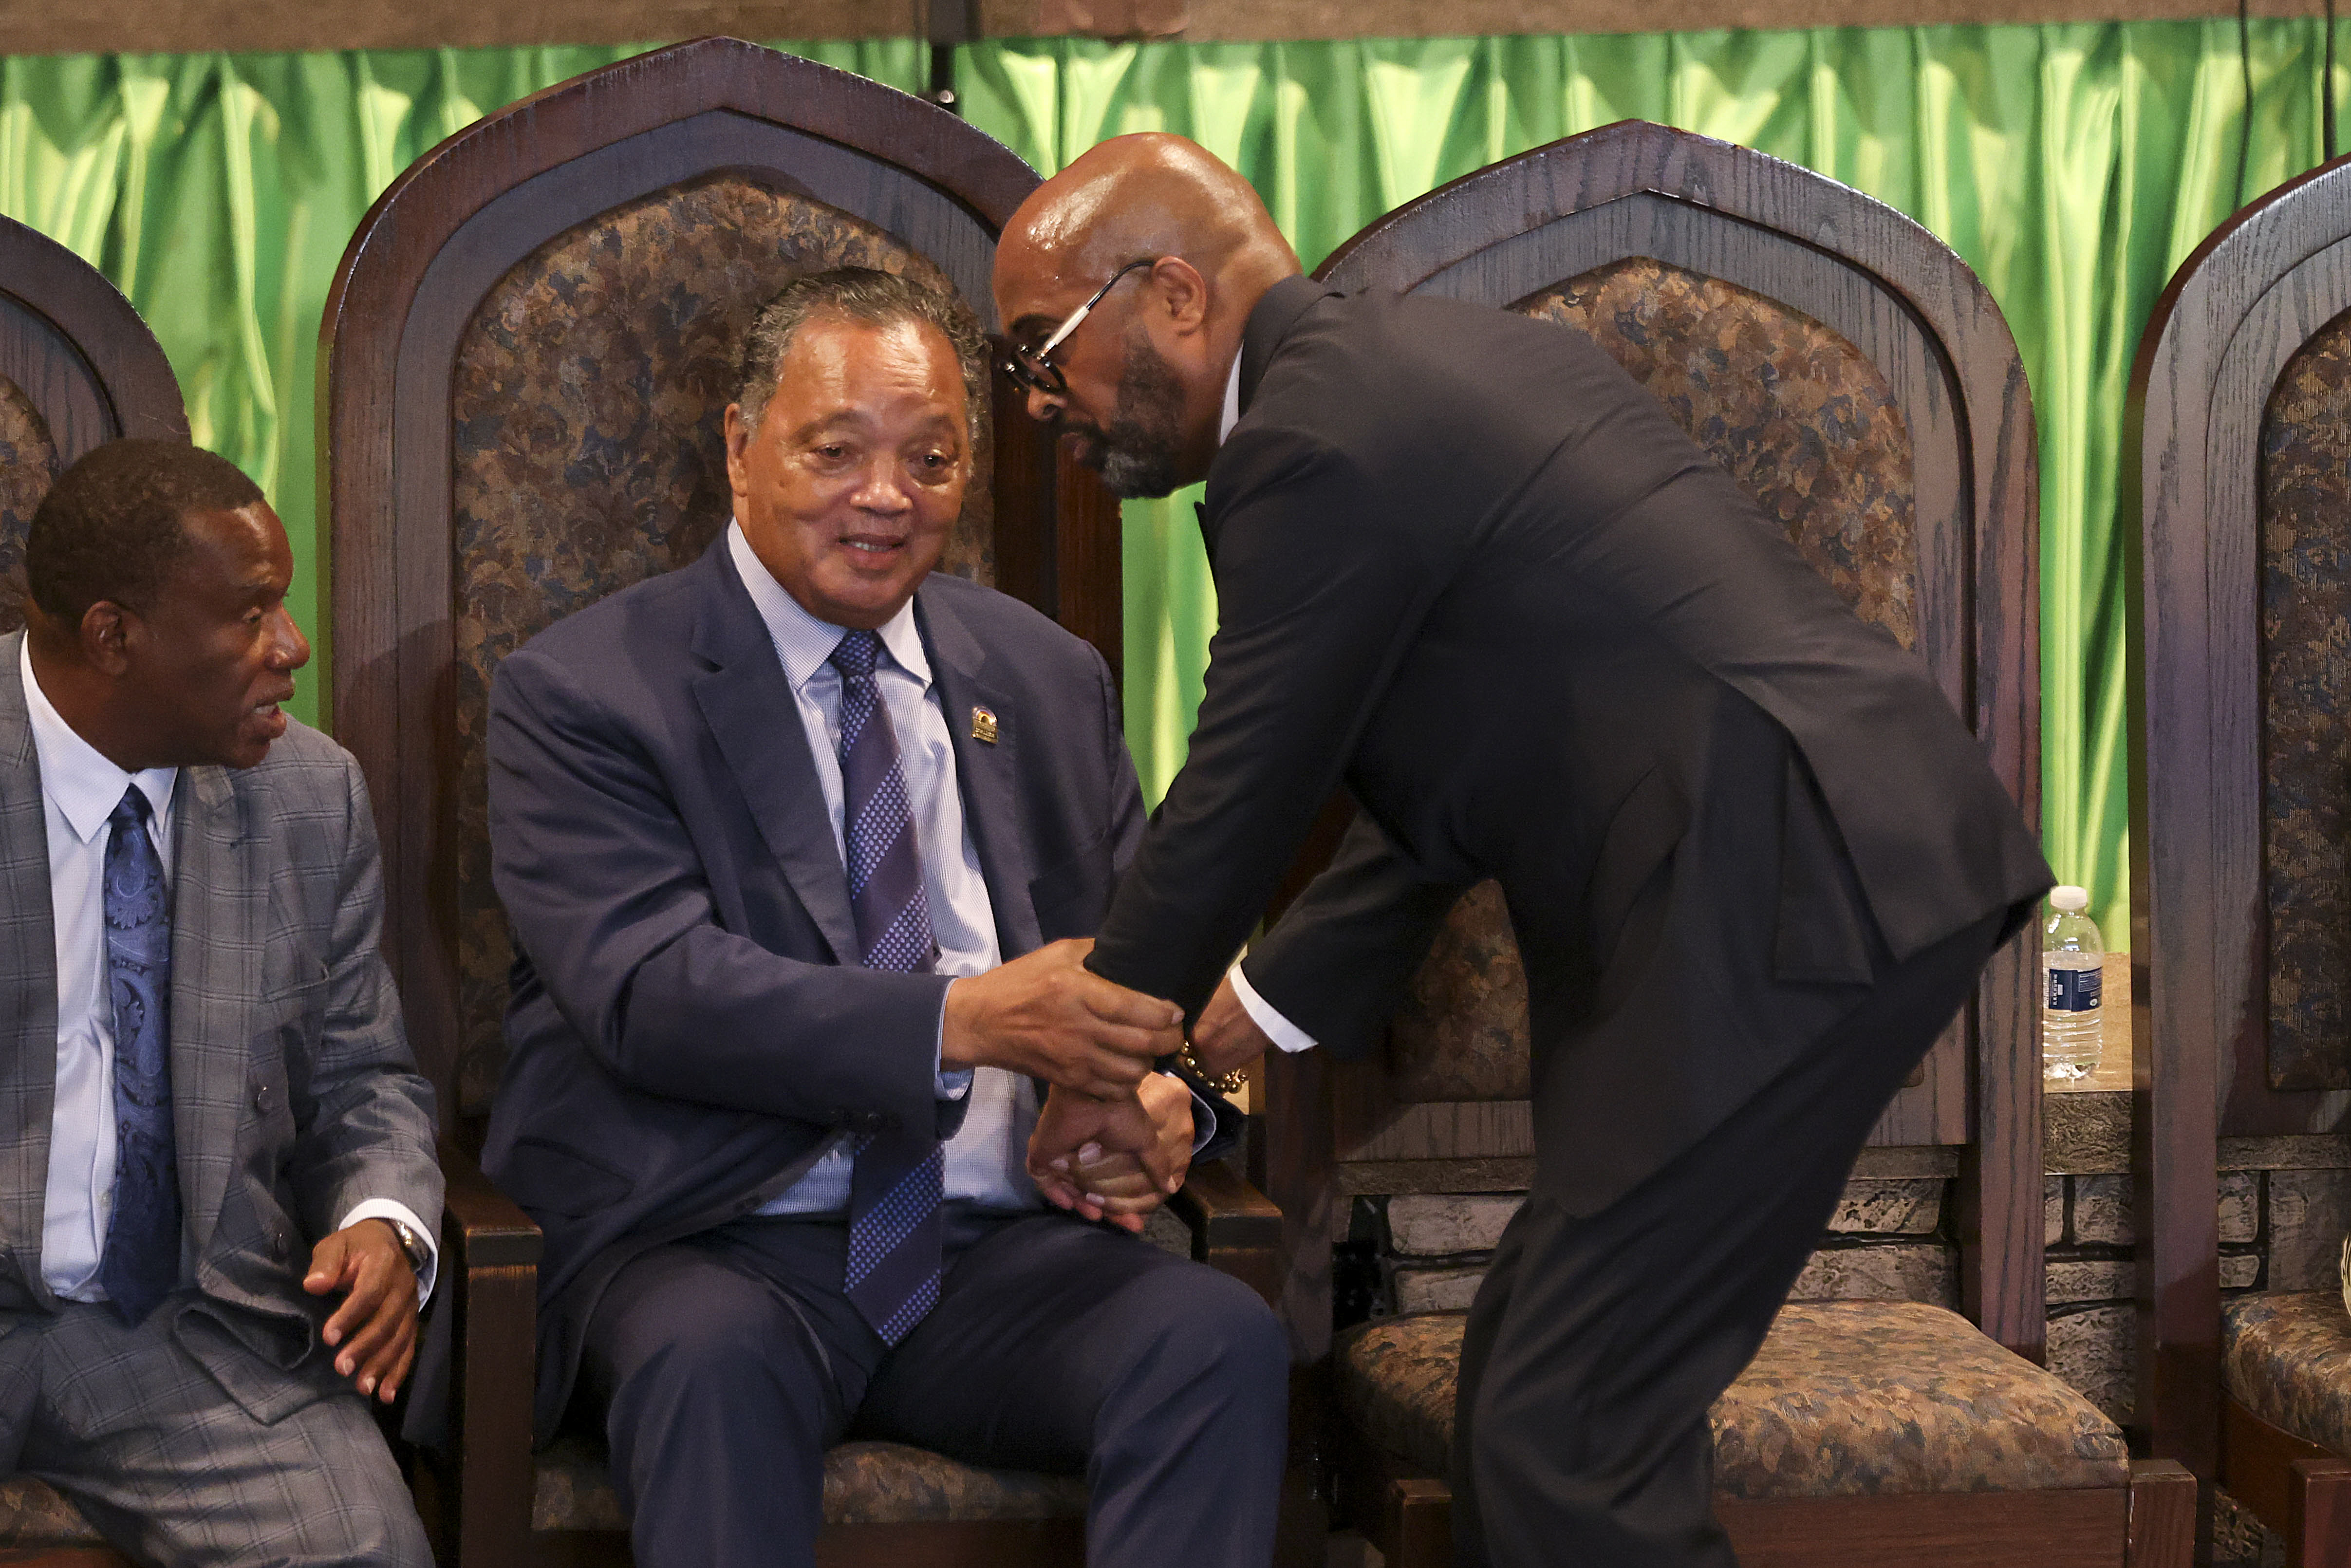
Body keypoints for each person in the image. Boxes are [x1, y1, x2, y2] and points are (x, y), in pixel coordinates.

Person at [995, 136, 2055, 1568]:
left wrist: (1095, 1058)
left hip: (1767, 882)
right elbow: (1436, 798)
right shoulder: (1420, 374)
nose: (1038, 403)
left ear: (1172, 293)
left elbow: (1241, 790)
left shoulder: (1309, 441)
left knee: (1567, 1431)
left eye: (1037, 350)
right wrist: (1216, 1030)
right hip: (1801, 870)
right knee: (1538, 1393)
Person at [481, 266, 1288, 1568]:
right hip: (715, 1239)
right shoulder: (584, 691)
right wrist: (963, 1020)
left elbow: (1149, 964)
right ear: (741, 448)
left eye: (929, 458)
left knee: (1213, 1337)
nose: (884, 496)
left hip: (996, 1246)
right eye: (835, 449)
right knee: (709, 1367)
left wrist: (1160, 1104)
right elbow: (648, 990)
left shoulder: (1041, 673)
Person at [0, 439, 442, 1565]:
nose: (290, 648)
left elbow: (361, 1072)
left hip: (182, 1331)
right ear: (114, 636)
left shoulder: (308, 794)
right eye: (249, 615)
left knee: (362, 1549)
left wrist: (382, 1219)